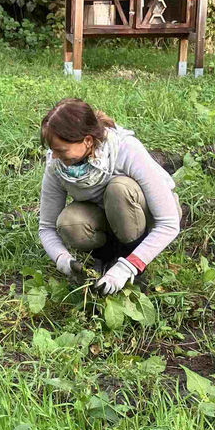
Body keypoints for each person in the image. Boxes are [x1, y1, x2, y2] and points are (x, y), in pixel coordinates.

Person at [38, 98, 181, 295]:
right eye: (52, 150)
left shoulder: (125, 149)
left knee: (118, 189)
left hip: (145, 217)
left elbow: (169, 223)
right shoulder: (57, 164)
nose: (54, 156)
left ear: (87, 141)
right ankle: (106, 258)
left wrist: (128, 267)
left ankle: (132, 262)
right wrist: (62, 259)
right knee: (70, 223)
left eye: (61, 150)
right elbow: (46, 227)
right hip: (108, 217)